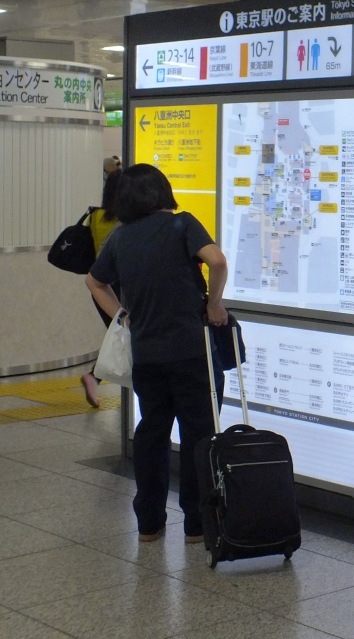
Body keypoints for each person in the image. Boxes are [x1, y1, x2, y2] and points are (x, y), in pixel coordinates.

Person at [85, 163, 229, 544]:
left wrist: (122, 315)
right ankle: (197, 524)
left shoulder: (120, 237)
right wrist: (214, 304)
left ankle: (149, 523)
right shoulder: (182, 225)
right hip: (191, 352)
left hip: (147, 355)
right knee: (199, 435)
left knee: (152, 434)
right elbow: (216, 261)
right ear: (162, 191)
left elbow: (94, 281)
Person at [81, 169, 123, 407]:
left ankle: (95, 377)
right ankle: (94, 376)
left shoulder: (97, 216)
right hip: (119, 285)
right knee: (123, 336)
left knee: (118, 336)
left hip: (100, 284)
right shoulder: (125, 220)